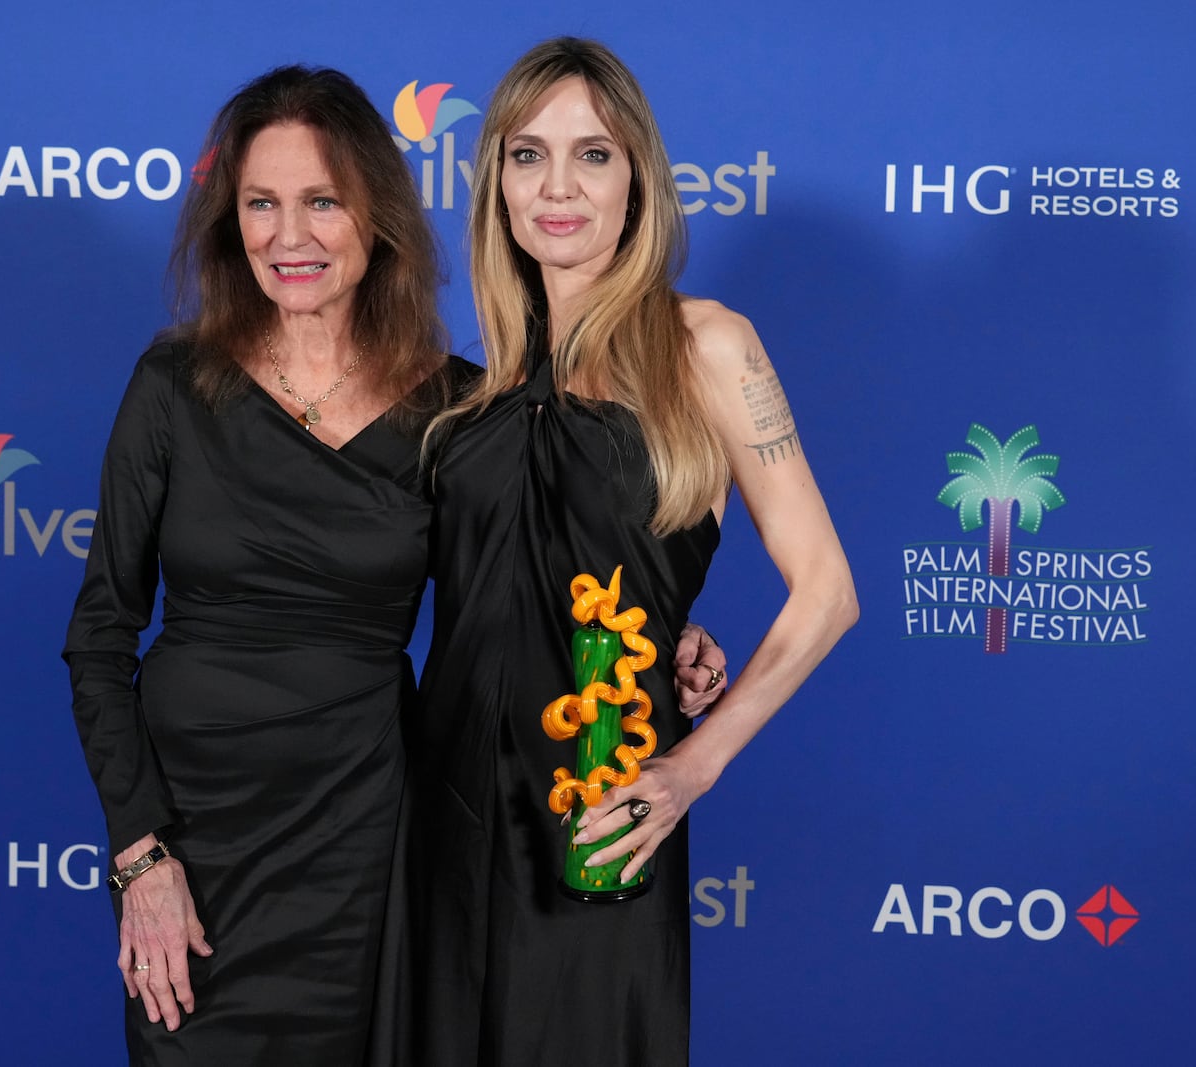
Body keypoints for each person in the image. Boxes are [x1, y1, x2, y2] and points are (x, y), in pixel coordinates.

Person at [63, 63, 727, 1065]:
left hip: (372, 847)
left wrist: (658, 630)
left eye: (321, 202)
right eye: (261, 205)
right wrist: (142, 852)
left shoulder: (456, 408)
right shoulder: (172, 381)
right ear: (227, 220)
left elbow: (532, 584)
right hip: (192, 851)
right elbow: (99, 636)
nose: (291, 238)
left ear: (376, 214)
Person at [411, 37, 859, 1066]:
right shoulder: (465, 394)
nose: (557, 186)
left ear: (638, 179)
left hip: (600, 810)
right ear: (496, 187)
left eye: (592, 154)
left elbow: (826, 589)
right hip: (443, 811)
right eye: (527, 156)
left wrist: (690, 767)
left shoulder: (705, 344)